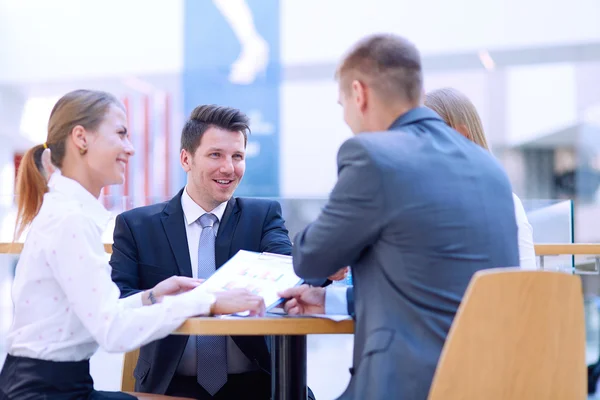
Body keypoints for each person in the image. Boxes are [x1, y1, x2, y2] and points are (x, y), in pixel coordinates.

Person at [281, 34, 519, 400]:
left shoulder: (373, 156)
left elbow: (312, 258)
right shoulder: (488, 165)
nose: (347, 119)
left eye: (342, 104)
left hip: (407, 385)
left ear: (359, 94)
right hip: (488, 381)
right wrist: (330, 301)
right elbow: (434, 287)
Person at [0, 90, 265, 400]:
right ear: (81, 138)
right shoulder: (69, 220)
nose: (130, 148)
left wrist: (151, 297)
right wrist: (205, 301)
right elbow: (113, 332)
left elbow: (95, 312)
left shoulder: (66, 212)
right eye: (121, 134)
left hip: (50, 386)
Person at [110, 104, 316, 400]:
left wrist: (319, 265)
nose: (229, 168)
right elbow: (118, 303)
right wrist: (159, 295)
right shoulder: (137, 226)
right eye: (216, 155)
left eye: (238, 157)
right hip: (170, 384)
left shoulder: (262, 216)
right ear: (186, 159)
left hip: (257, 383)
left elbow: (286, 270)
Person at [424, 87, 537, 270]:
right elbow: (527, 279)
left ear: (459, 135)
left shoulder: (504, 203)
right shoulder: (508, 201)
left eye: (425, 134)